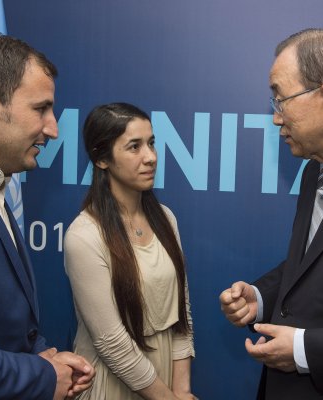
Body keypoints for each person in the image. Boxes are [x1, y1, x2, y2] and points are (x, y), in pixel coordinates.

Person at [220, 28, 323, 399]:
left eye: (281, 100)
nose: (276, 118)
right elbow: (314, 264)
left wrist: (304, 351)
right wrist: (261, 297)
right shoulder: (315, 170)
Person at [0, 32, 95, 399]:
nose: (53, 128)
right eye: (40, 108)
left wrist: (42, 360)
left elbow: (3, 327)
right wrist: (45, 376)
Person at [64, 102, 196, 400]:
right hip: (111, 385)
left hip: (165, 386)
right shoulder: (84, 236)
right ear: (102, 159)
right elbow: (113, 344)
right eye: (134, 147)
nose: (150, 157)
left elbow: (180, 313)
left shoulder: (165, 219)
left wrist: (182, 390)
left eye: (151, 143)